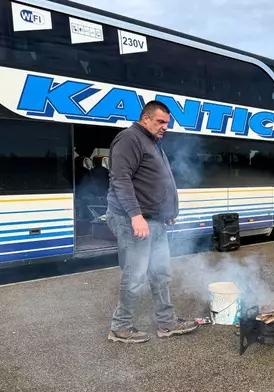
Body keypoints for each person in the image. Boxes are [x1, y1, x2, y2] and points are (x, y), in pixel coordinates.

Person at [106, 100, 198, 343]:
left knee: (160, 273)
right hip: (132, 220)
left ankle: (167, 323)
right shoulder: (130, 139)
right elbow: (120, 179)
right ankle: (121, 327)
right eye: (160, 122)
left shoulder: (153, 142)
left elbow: (156, 180)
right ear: (145, 118)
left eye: (167, 123)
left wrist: (167, 211)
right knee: (135, 275)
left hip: (155, 221)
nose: (165, 127)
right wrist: (136, 215)